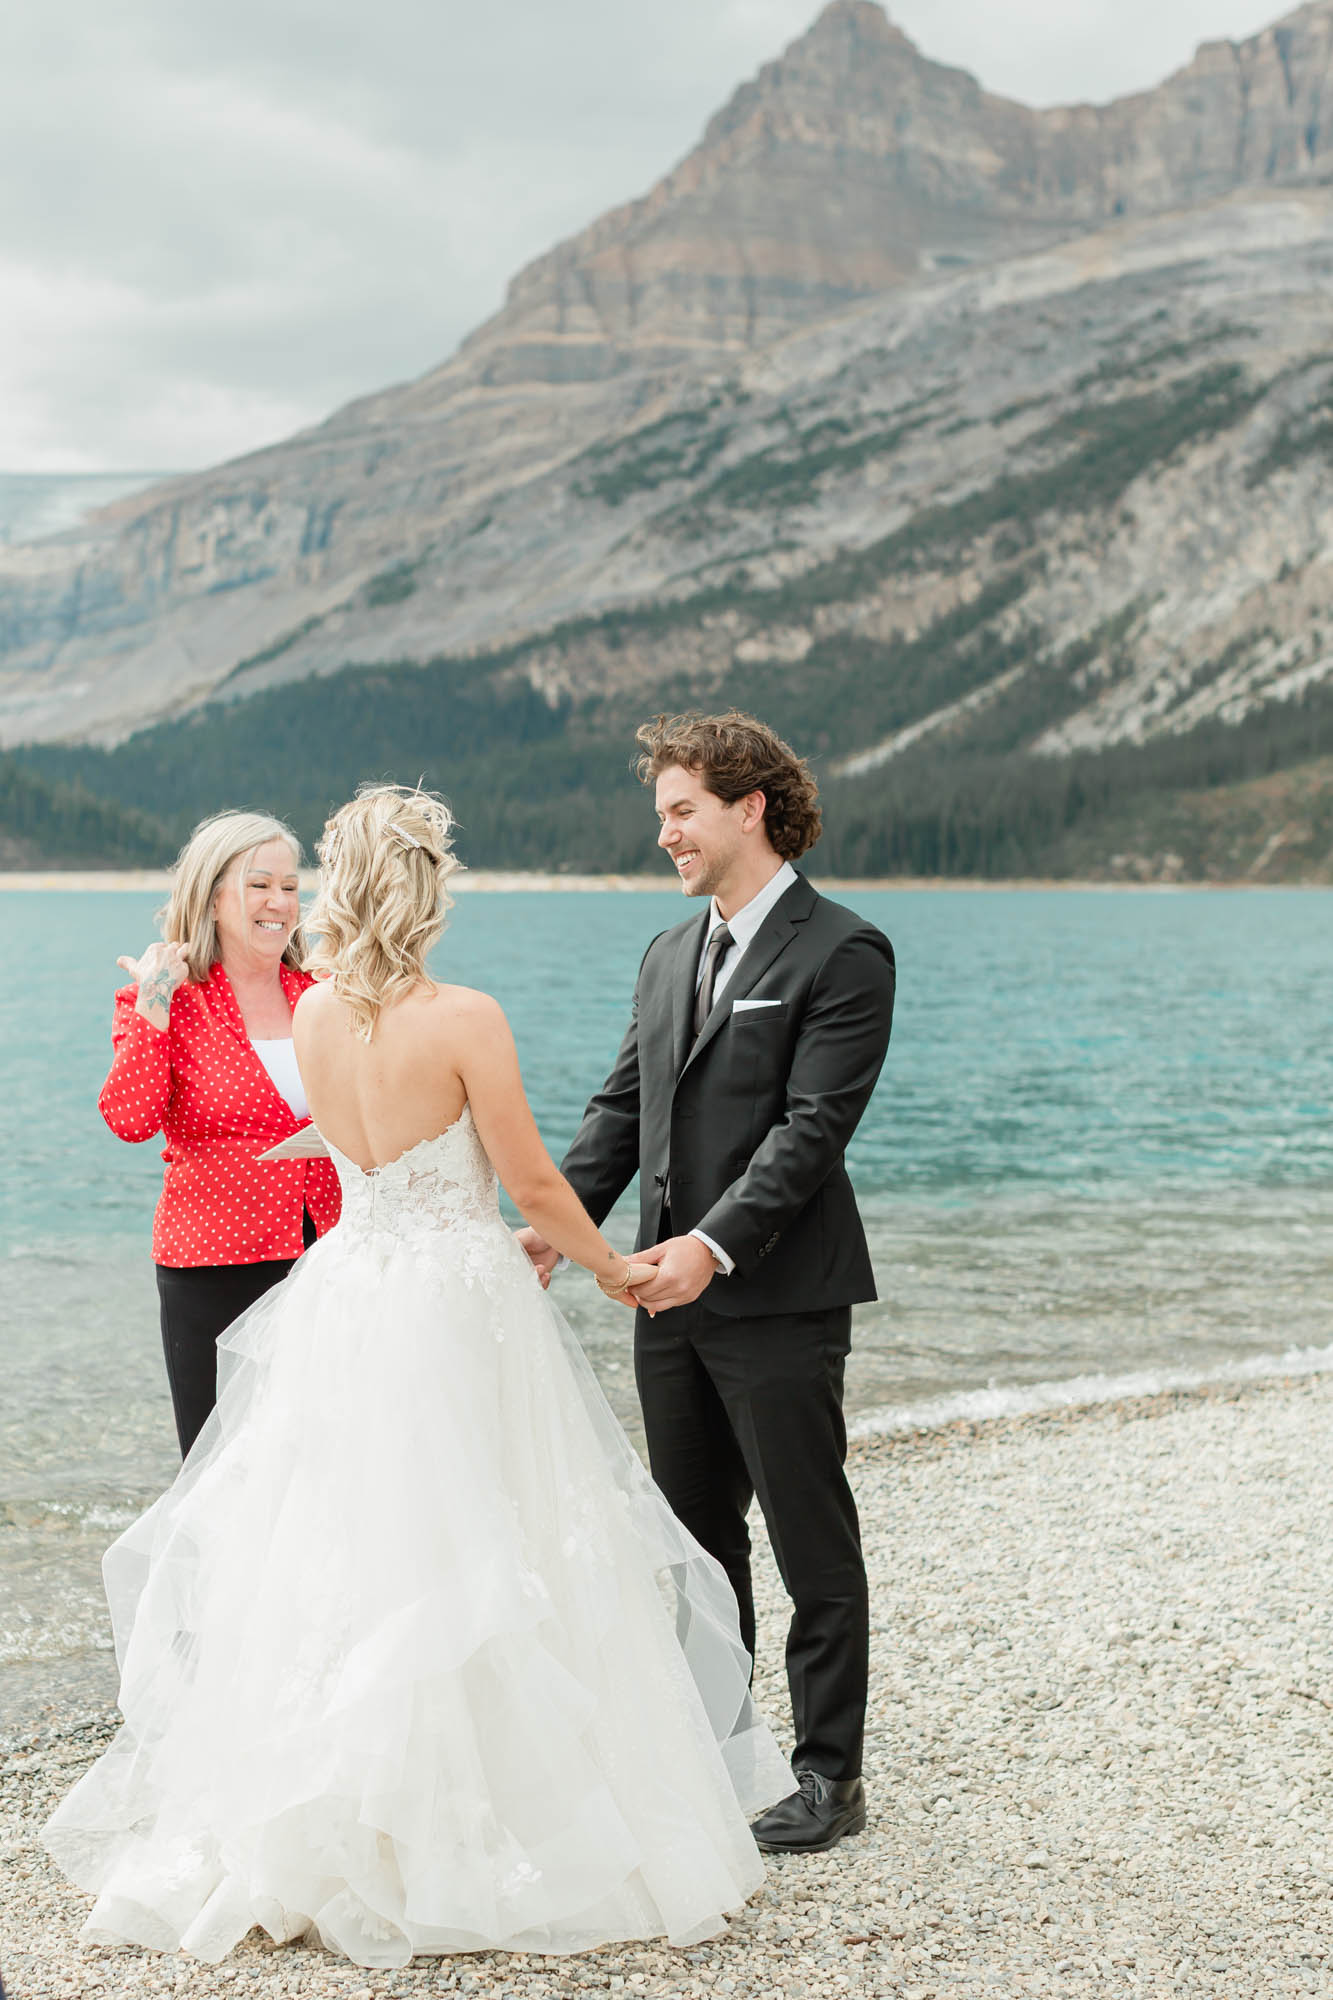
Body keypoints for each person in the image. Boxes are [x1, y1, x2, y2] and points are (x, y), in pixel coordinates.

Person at [44, 784, 789, 1969]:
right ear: (431, 890)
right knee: (482, 1532)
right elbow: (533, 1185)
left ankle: (335, 1810)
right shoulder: (464, 1017)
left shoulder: (320, 1014)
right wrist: (613, 1267)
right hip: (449, 1296)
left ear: (343, 892)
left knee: (344, 1540)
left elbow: (341, 1154)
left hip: (345, 1286)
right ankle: (480, 1814)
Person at [520, 711, 895, 1855]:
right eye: (661, 816)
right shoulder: (666, 952)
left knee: (807, 1535)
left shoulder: (844, 950)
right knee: (690, 1534)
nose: (666, 835)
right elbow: (623, 1107)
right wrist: (557, 1224)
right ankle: (718, 1747)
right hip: (659, 1300)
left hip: (775, 1297)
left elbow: (809, 1131)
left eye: (681, 811)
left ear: (751, 806)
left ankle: (830, 1772)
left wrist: (713, 1244)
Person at [100, 811, 341, 1457]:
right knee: (219, 1470)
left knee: (320, 1460)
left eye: (291, 887)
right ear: (211, 896)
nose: (280, 903)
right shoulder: (167, 999)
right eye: (260, 885)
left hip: (330, 1254)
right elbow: (129, 1120)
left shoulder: (323, 992)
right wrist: (154, 995)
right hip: (211, 1264)